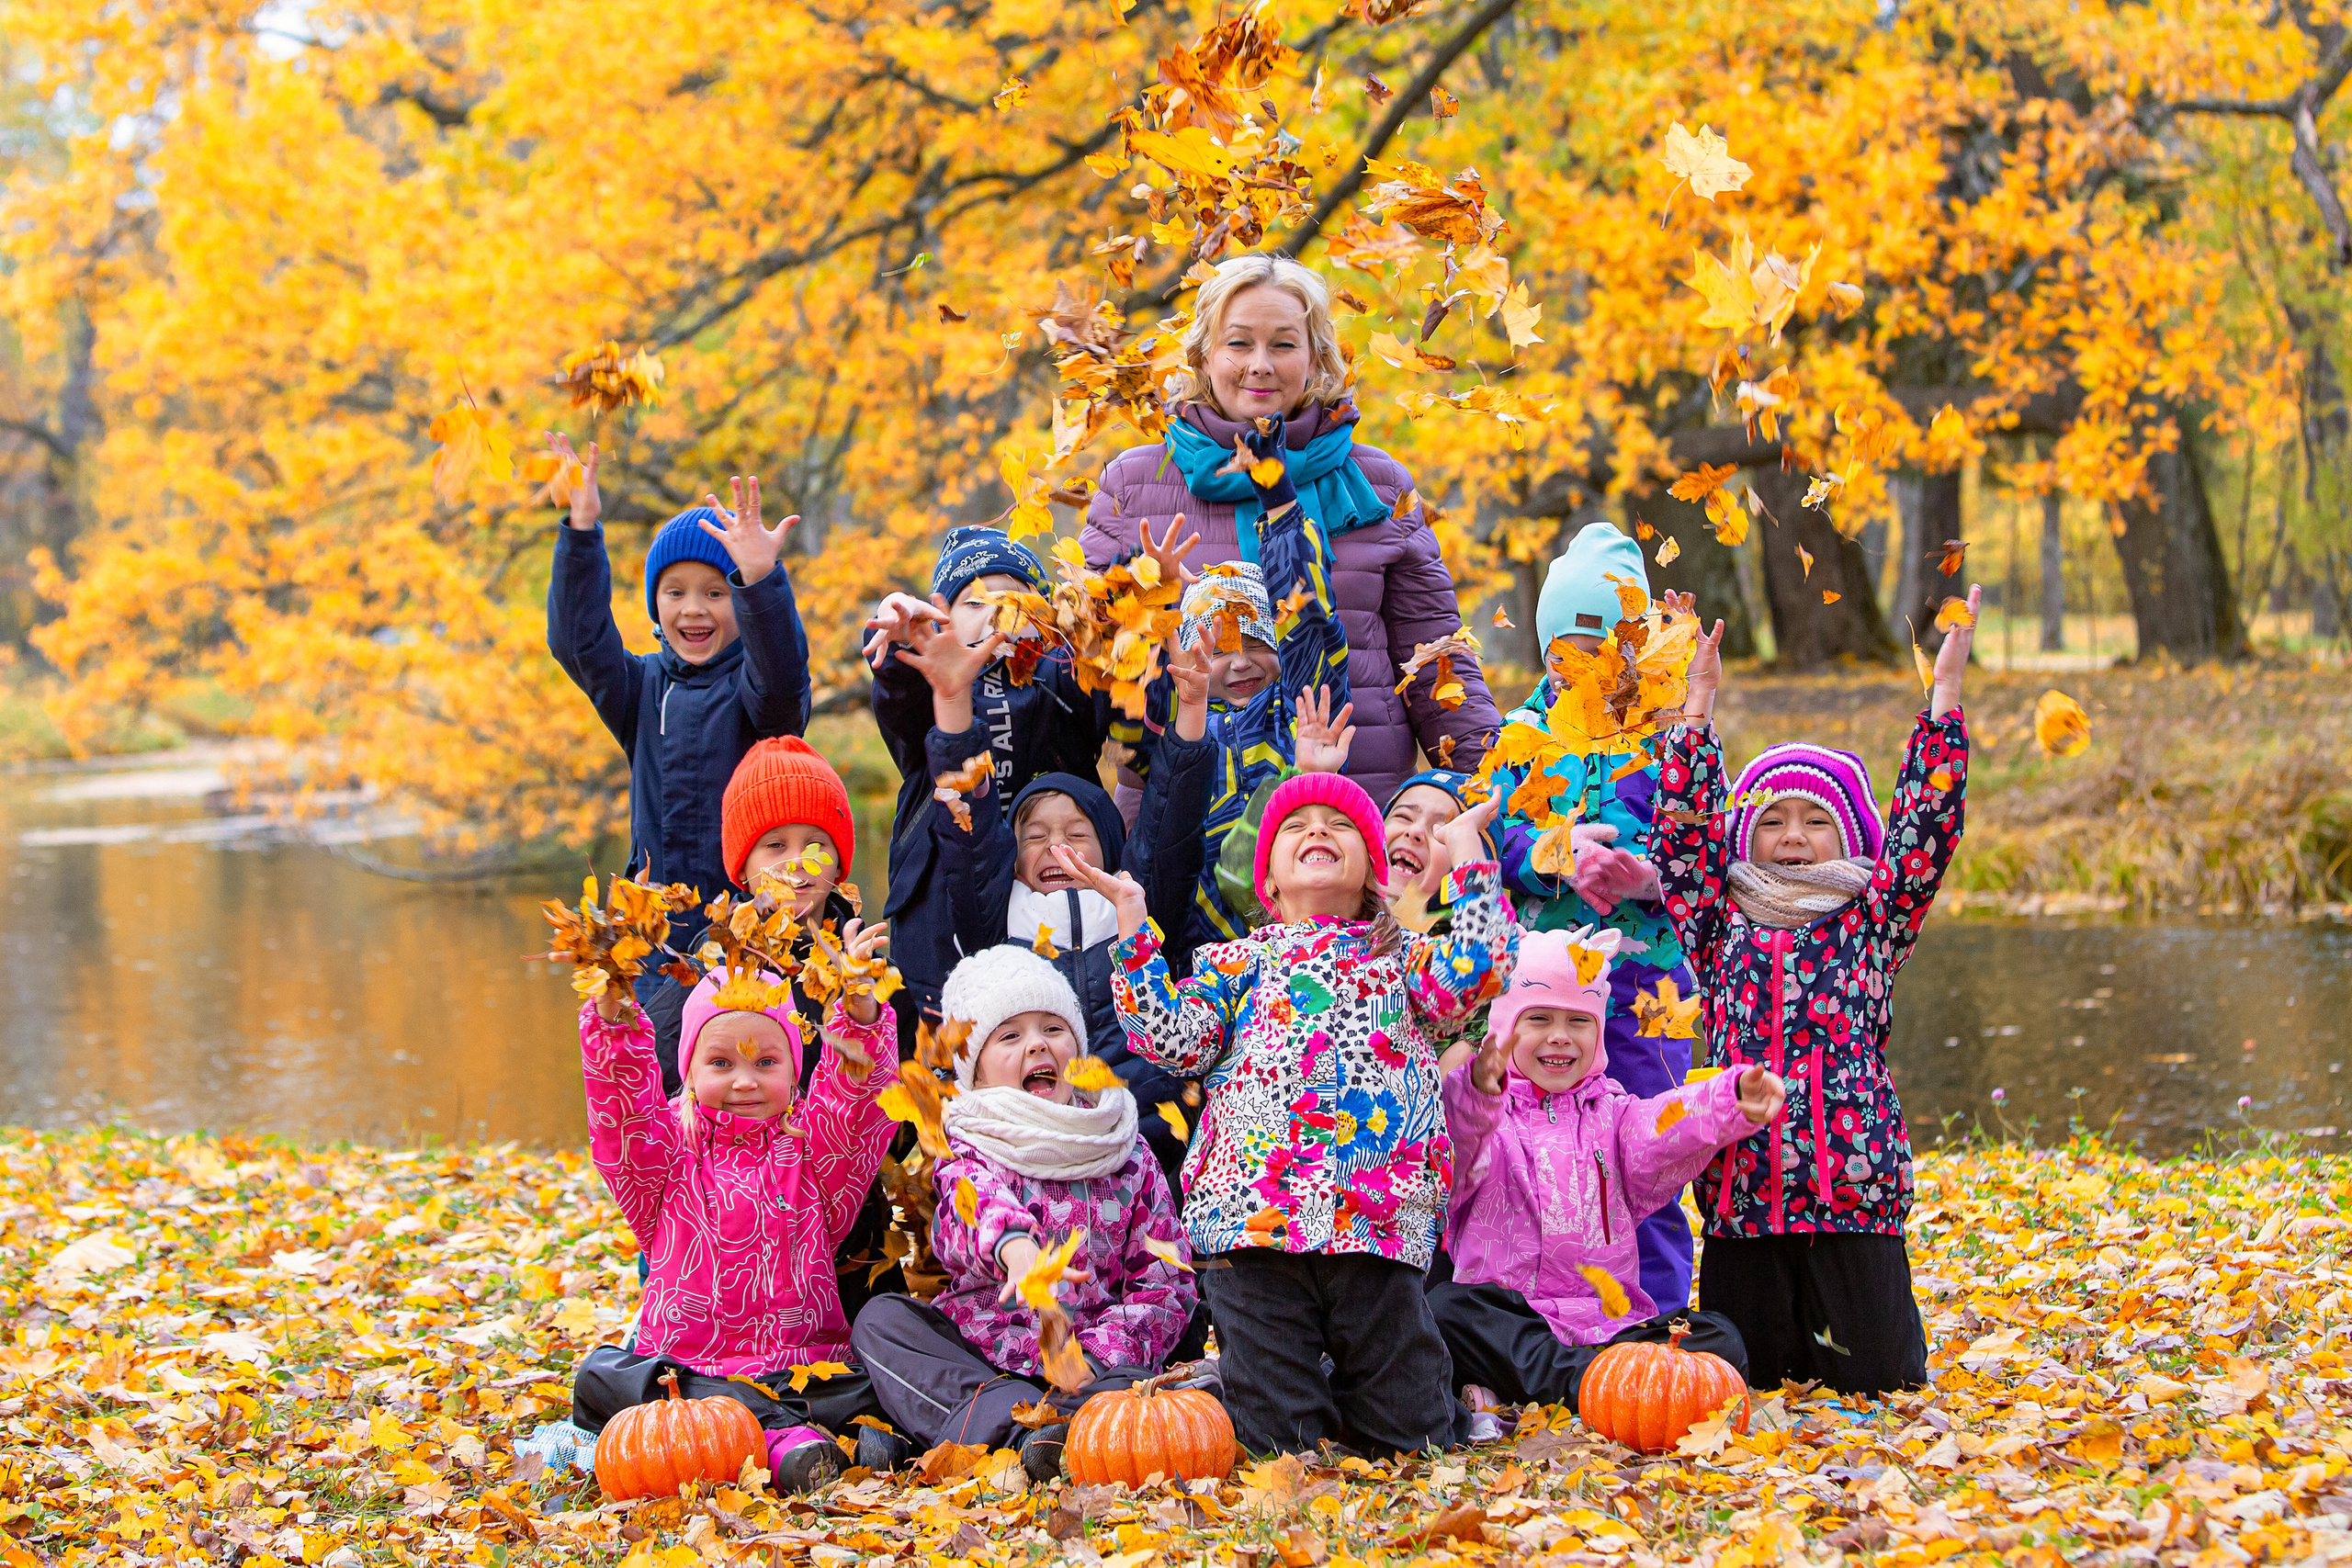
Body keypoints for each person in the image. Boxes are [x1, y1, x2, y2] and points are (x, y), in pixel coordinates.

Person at [1084, 773, 1514, 1456]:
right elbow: (1167, 1037)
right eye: (1296, 826)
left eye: (1339, 824)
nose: (1317, 830)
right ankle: (1243, 1386)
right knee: (1282, 1443)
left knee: (1412, 1434)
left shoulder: (1401, 957)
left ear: (1375, 873)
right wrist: (1133, 926)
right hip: (1254, 1217)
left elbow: (1481, 969)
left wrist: (1467, 853)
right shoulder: (1238, 963)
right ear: (1271, 884)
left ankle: (1427, 1402)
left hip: (1374, 1212)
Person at [1653, 585, 1979, 1395]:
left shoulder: (1874, 915)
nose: (1791, 837)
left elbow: (1925, 831)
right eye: (1771, 820)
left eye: (1813, 820)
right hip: (1744, 1193)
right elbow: (1683, 835)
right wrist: (1697, 708)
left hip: (1852, 1192)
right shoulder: (1717, 917)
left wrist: (1942, 703)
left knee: (1881, 1378)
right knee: (1749, 1382)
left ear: (1849, 835)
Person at [1081, 252, 1500, 804]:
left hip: (1353, 819)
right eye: (1238, 343)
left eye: (1283, 344)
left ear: (1315, 357)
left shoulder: (1378, 484)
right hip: (1184, 832)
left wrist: (1504, 805)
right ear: (1204, 357)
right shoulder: (1133, 485)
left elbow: (1438, 667)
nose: (1261, 364)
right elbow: (1087, 673)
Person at [852, 948, 1200, 1483]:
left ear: (1077, 1049)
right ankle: (1022, 1433)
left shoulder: (1123, 1149)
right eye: (1010, 1036)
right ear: (978, 1072)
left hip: (1096, 1364)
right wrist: (1018, 1250)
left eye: (1053, 1029)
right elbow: (972, 1208)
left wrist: (1094, 1355)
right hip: (985, 1355)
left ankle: (1044, 1431)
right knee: (883, 1322)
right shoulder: (968, 1145)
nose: (1038, 1043)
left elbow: (1165, 1281)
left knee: (1172, 1371)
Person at [568, 948, 900, 1491]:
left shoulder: (816, 1158)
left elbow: (855, 1103)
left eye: (766, 1063)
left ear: (796, 1074)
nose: (744, 1081)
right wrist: (613, 1020)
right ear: (690, 1072)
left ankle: (799, 1437)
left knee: (870, 1382)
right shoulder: (664, 1159)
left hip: (803, 1368)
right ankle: (792, 1442)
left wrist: (860, 1016)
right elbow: (623, 1111)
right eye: (721, 1063)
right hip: (691, 1375)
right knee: (603, 1376)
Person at [1478, 522, 1701, 1317]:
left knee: (1645, 1148)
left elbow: (1709, 843)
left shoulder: (1668, 735)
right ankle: (1536, 1316)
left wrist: (1649, 875)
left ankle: (1660, 1319)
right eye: (1565, 647)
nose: (1583, 666)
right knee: (1526, 1151)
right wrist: (1547, 852)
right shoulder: (1519, 737)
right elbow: (1478, 836)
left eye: (1603, 645)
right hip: (1542, 986)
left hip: (1646, 986)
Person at [1427, 926, 1784, 1414]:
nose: (1560, 1036)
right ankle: (1590, 1387)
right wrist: (1477, 1094)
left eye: (1579, 1021)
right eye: (1538, 1018)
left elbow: (1667, 1125)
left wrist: (1728, 1098)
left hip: (1609, 1326)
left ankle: (1569, 1385)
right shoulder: (1485, 1119)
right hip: (1512, 1320)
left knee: (1720, 1337)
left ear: (1598, 1034)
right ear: (1504, 1028)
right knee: (1447, 1311)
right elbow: (1459, 1148)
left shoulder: (1614, 1115)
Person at [864, 523, 1189, 1057]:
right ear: (940, 618)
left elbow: (1125, 691)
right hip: (944, 903)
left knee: (1045, 1033)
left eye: (1013, 597)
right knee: (947, 1043)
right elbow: (895, 698)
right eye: (973, 601)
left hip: (1053, 902)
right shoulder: (928, 690)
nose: (996, 612)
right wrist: (901, 640)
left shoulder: (1061, 678)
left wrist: (1140, 590)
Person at [919, 635, 1218, 1190]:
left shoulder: (1137, 906)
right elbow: (970, 836)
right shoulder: (997, 921)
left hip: (1147, 1155)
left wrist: (1193, 710)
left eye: (1078, 834)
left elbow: (1171, 821)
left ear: (1110, 849)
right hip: (1029, 1156)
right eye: (1036, 837)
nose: (1059, 849)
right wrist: (954, 702)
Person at [637, 733, 906, 1318]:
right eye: (775, 846)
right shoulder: (714, 966)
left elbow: (900, 1103)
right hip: (733, 1224)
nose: (799, 863)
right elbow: (656, 1087)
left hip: (846, 1217)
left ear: (839, 864)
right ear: (743, 867)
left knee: (866, 1355)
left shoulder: (865, 964)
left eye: (817, 845)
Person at [545, 438, 813, 979]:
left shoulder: (757, 691)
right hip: (656, 945)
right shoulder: (640, 688)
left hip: (754, 938)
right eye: (675, 593)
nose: (693, 608)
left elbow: (783, 676)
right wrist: (581, 529)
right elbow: (579, 643)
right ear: (655, 603)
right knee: (660, 1061)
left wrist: (760, 581)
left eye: (715, 593)